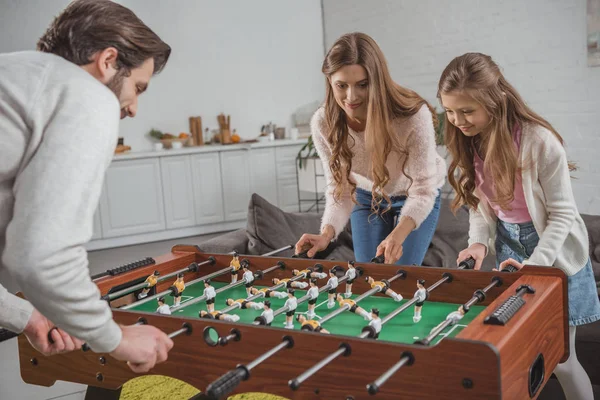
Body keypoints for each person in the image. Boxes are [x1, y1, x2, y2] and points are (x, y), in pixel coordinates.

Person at [0, 0, 173, 373]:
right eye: (138, 88)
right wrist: (118, 338)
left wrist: (26, 315)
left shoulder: (16, 74)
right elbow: (41, 256)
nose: (133, 108)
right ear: (108, 61)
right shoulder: (86, 94)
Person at [439, 52, 600, 400]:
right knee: (519, 355)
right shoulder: (470, 141)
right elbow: (482, 207)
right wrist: (478, 242)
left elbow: (562, 216)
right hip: (511, 248)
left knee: (562, 360)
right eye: (450, 111)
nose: (457, 120)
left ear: (494, 101)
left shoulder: (540, 141)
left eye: (467, 111)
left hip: (553, 252)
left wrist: (536, 264)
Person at [294, 32, 446, 265]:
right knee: (368, 277)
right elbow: (340, 188)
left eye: (362, 85)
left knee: (401, 275)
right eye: (341, 85)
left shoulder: (412, 117)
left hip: (415, 194)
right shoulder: (323, 123)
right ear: (330, 82)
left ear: (377, 80)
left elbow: (423, 191)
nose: (351, 97)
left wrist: (397, 236)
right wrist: (326, 234)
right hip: (367, 198)